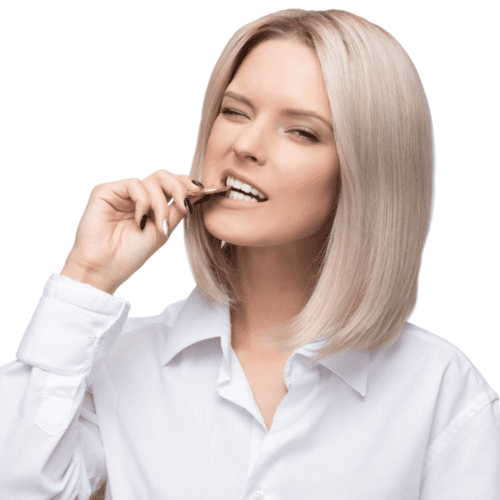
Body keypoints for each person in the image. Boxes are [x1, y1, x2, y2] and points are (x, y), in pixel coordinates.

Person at [0, 8, 498, 499]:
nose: (245, 144)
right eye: (234, 111)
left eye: (301, 131)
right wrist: (87, 275)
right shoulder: (112, 365)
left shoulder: (443, 393)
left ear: (368, 175)